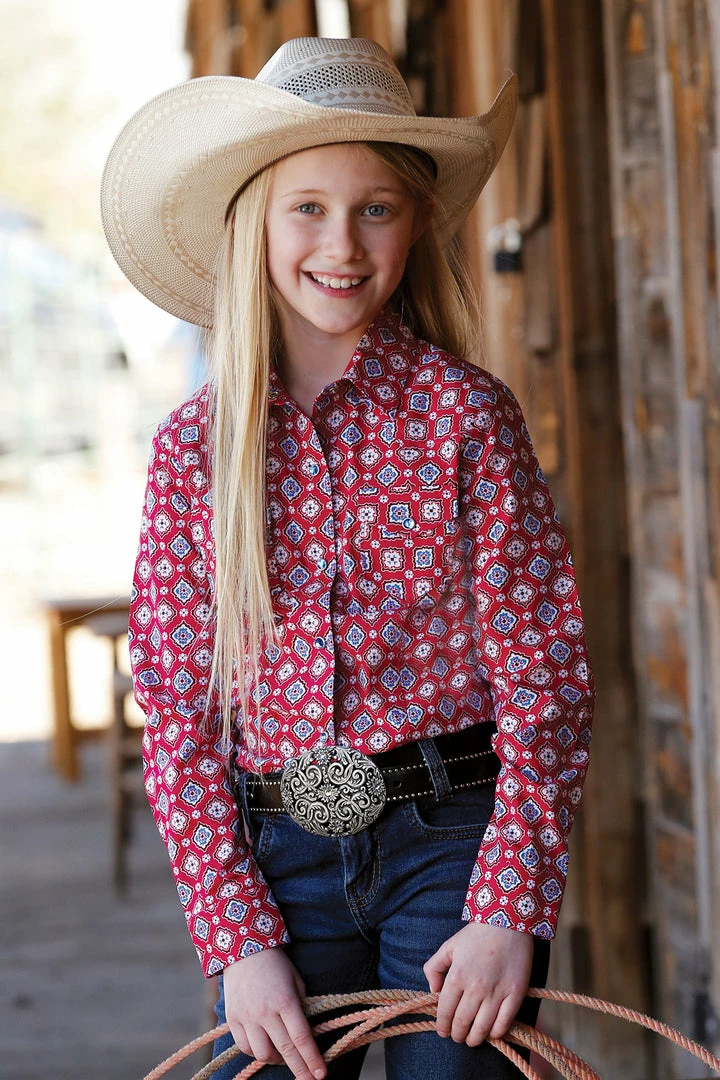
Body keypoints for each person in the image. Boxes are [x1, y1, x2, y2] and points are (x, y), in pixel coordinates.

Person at [102, 37, 594, 1080]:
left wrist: (508, 907)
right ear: (255, 224)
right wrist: (236, 941)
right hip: (272, 867)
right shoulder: (197, 451)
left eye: (376, 207)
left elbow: (542, 675)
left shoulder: (467, 419)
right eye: (309, 208)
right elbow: (180, 715)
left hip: (453, 848)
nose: (343, 242)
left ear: (415, 223)